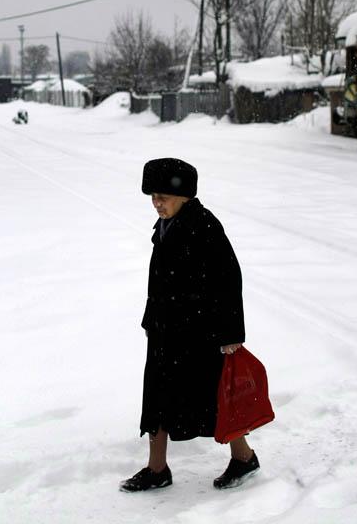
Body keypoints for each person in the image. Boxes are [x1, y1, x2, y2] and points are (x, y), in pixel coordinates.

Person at [120, 157, 260, 493]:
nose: (157, 203)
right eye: (153, 196)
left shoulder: (204, 226)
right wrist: (152, 318)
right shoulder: (166, 224)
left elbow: (229, 280)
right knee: (156, 396)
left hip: (199, 332)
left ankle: (243, 457)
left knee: (214, 397)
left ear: (184, 195)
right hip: (166, 328)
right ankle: (157, 468)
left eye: (163, 197)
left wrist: (230, 335)